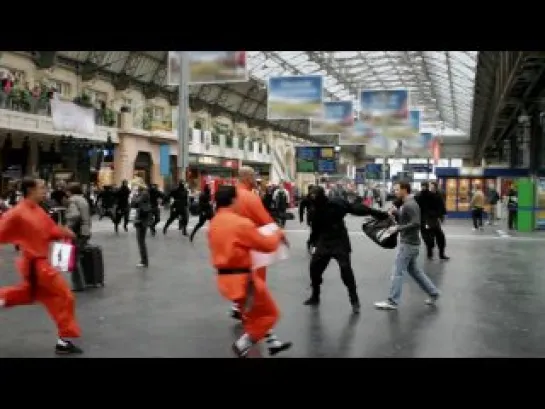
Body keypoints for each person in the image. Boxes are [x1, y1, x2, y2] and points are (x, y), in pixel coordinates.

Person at [0, 177, 83, 354]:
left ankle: (64, 340)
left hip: (37, 264)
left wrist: (63, 232)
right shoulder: (18, 212)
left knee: (29, 295)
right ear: (31, 190)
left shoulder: (37, 210)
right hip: (35, 265)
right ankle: (64, 340)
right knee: (64, 296)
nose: (46, 190)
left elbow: (49, 230)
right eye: (42, 188)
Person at [208, 185, 291, 358]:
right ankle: (242, 345)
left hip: (225, 282)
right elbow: (267, 246)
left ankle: (269, 343)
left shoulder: (214, 223)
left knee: (252, 316)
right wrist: (278, 233)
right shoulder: (241, 223)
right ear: (233, 200)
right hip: (245, 282)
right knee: (270, 314)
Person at [232, 166, 291, 352]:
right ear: (248, 178)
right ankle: (249, 341)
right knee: (259, 297)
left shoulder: (230, 196)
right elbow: (266, 220)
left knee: (250, 295)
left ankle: (270, 340)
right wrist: (280, 235)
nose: (256, 179)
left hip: (235, 252)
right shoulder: (250, 197)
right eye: (254, 176)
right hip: (253, 252)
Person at [303, 186, 388, 313]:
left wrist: (378, 213)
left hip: (339, 240)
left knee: (346, 270)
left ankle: (354, 300)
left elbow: (356, 208)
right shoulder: (313, 211)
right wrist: (312, 242)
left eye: (314, 197)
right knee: (314, 268)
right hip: (324, 241)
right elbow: (315, 230)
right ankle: (315, 295)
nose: (313, 200)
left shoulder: (336, 203)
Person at [374, 181, 440, 310]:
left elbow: (415, 223)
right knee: (415, 271)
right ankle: (434, 292)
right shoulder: (407, 204)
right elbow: (408, 221)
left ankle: (392, 301)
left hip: (409, 244)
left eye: (397, 189)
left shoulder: (410, 204)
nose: (395, 192)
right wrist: (397, 214)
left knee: (397, 272)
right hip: (411, 243)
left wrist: (397, 228)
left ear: (405, 190)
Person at [65, 182, 91, 292]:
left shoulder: (73, 200)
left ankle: (79, 284)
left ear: (70, 191)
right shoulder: (83, 199)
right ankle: (83, 282)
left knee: (74, 258)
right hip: (85, 231)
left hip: (78, 232)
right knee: (77, 257)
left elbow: (75, 215)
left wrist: (67, 225)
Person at [132, 182, 151, 267]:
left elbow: (135, 202)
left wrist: (134, 194)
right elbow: (134, 204)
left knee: (141, 242)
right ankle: (144, 260)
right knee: (141, 241)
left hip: (142, 221)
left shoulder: (144, 193)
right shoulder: (143, 193)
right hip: (142, 220)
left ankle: (144, 261)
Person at [298, 185, 316, 253]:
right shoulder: (306, 198)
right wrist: (301, 218)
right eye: (311, 190)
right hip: (310, 217)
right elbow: (301, 208)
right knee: (314, 231)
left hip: (319, 217)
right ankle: (312, 243)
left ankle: (312, 243)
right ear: (309, 190)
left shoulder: (317, 197)